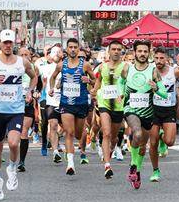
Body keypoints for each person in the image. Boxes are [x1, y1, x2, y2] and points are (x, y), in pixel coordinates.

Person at [0, 30, 37, 201]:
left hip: (16, 111)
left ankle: (12, 168)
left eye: (10, 42)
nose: (7, 45)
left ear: (14, 44)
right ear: (0, 43)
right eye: (5, 42)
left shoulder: (22, 62)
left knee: (13, 143)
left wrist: (29, 91)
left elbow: (34, 77)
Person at [122, 40, 168, 190]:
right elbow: (120, 83)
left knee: (142, 146)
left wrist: (156, 88)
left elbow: (164, 94)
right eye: (139, 51)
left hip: (148, 112)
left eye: (145, 51)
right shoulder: (127, 68)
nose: (142, 54)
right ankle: (133, 165)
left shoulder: (153, 71)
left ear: (149, 53)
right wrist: (120, 94)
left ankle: (137, 170)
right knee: (137, 133)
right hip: (131, 108)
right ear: (134, 52)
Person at [49, 38, 95, 175]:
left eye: (76, 47)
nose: (73, 49)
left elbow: (95, 80)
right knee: (69, 132)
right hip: (66, 103)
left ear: (79, 49)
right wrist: (51, 88)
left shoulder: (85, 65)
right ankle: (70, 163)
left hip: (81, 103)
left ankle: (73, 151)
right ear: (67, 49)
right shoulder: (61, 65)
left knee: (78, 133)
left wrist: (89, 81)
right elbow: (52, 77)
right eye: (71, 47)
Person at [91, 40, 126, 179]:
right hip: (104, 103)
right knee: (106, 132)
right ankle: (107, 165)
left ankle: (111, 149)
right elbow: (98, 83)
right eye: (114, 49)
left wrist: (123, 94)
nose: (116, 51)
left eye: (119, 49)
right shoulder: (102, 67)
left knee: (113, 136)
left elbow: (129, 84)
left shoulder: (126, 67)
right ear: (109, 51)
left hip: (119, 105)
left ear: (122, 52)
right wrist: (93, 91)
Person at [148, 47, 179, 182]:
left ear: (167, 59)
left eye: (161, 58)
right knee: (152, 142)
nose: (159, 61)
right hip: (153, 109)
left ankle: (163, 139)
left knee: (170, 141)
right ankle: (155, 170)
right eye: (156, 58)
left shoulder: (174, 72)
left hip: (169, 109)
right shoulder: (150, 71)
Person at [18, 47, 41, 172]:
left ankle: (21, 161)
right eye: (21, 54)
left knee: (24, 131)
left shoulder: (33, 68)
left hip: (27, 102)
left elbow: (39, 83)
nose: (23, 56)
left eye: (26, 54)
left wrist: (34, 92)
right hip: (13, 103)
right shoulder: (13, 67)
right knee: (14, 134)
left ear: (30, 56)